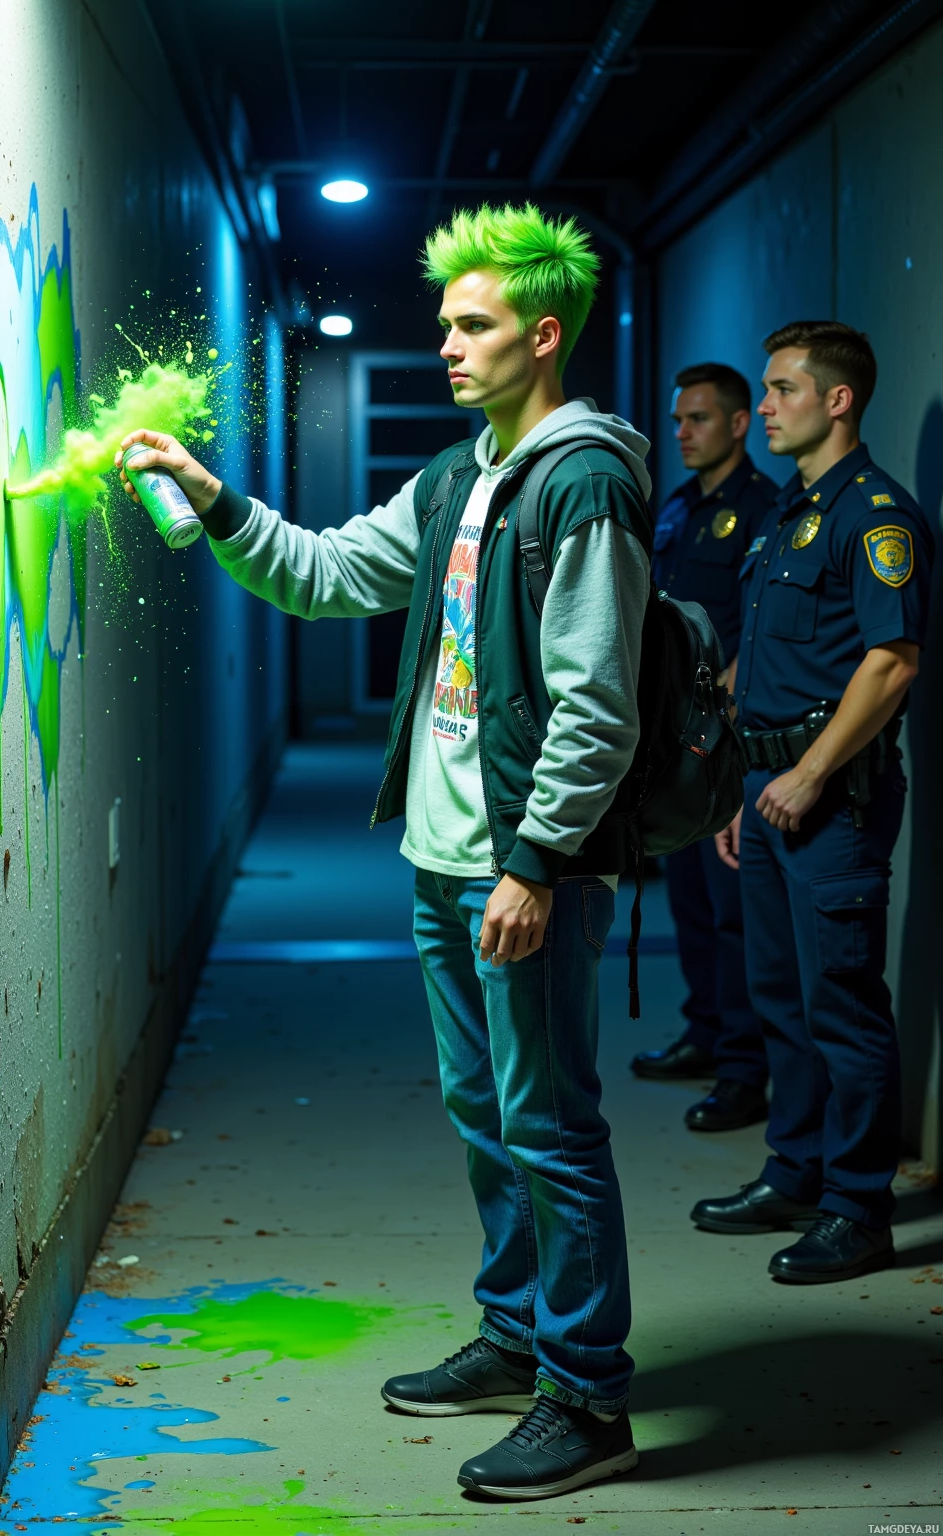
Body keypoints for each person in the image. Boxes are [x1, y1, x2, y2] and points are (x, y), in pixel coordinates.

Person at [116, 204, 653, 1499]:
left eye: (471, 327)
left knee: (551, 1121)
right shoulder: (463, 476)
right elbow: (330, 573)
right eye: (443, 326)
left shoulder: (582, 481)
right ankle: (520, 1334)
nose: (448, 348)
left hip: (522, 870)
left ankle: (588, 1395)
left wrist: (532, 865)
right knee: (487, 1114)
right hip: (441, 855)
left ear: (542, 333)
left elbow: (598, 704)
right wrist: (212, 498)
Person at [692, 320, 932, 1283]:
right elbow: (763, 653)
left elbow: (893, 661)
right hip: (765, 786)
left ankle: (857, 1206)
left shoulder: (875, 516)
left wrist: (808, 773)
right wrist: (737, 786)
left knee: (842, 1006)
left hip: (832, 801)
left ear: (837, 400)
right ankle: (795, 1170)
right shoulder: (790, 514)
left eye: (784, 390)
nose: (768, 408)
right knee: (779, 996)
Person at [630, 364, 775, 1132]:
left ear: (741, 422)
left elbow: (756, 629)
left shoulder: (762, 510)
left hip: (723, 743)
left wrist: (714, 704)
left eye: (698, 419)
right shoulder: (678, 509)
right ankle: (705, 1032)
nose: (681, 432)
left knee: (730, 910)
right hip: (670, 741)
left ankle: (744, 1069)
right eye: (679, 418)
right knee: (684, 895)